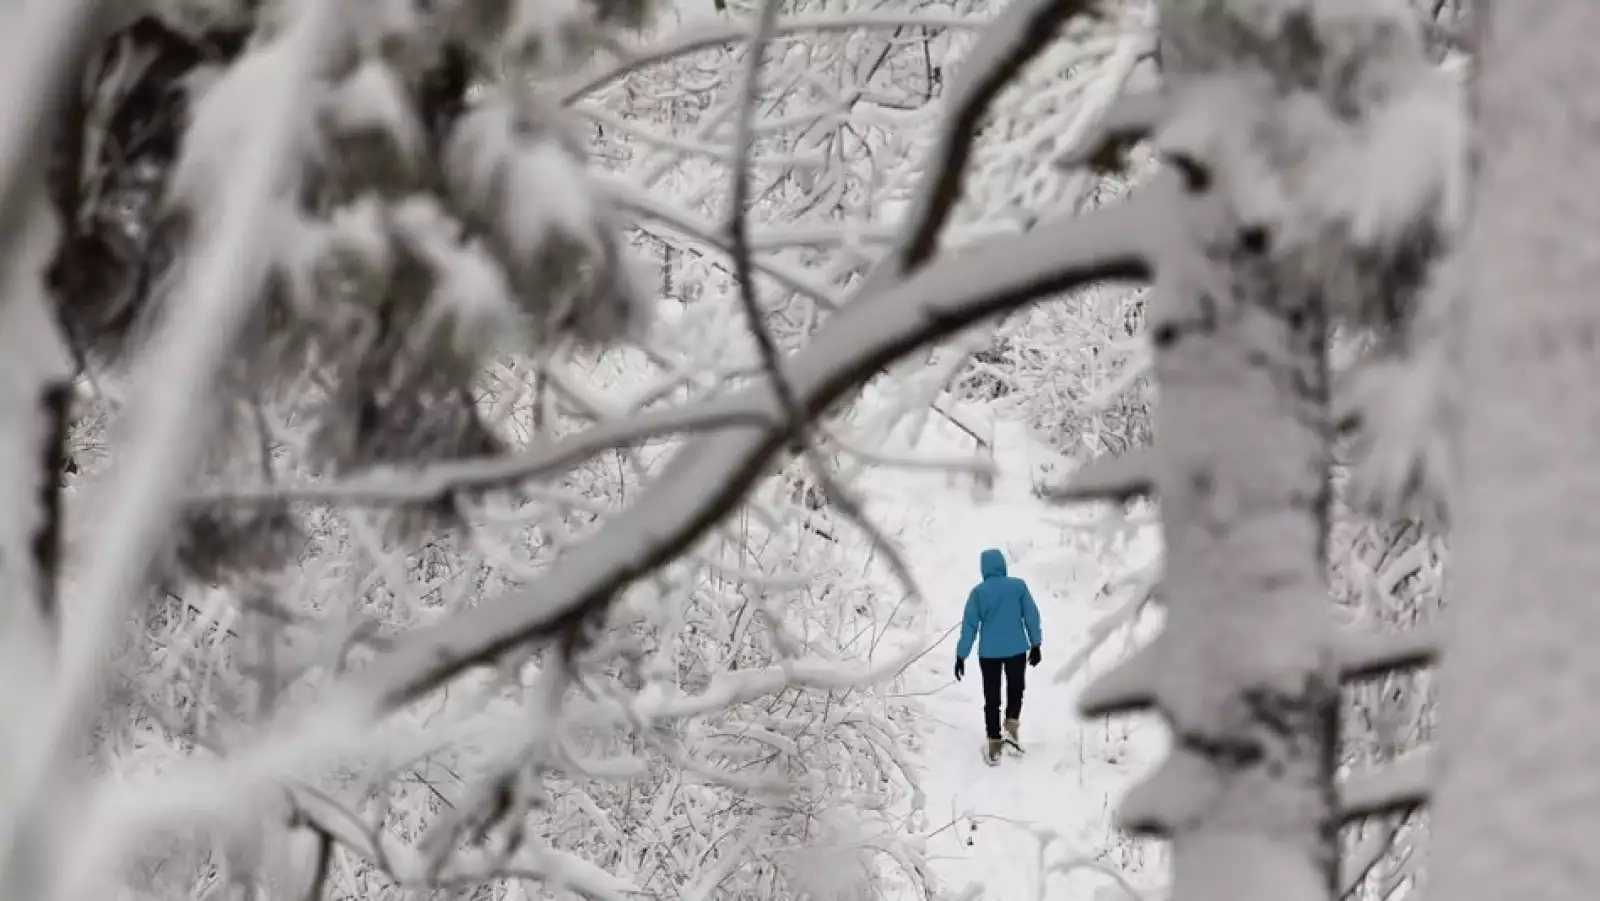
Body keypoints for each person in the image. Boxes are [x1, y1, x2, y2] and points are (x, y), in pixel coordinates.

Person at [953, 548, 1042, 764]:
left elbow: (969, 626)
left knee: (992, 698)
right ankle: (1011, 728)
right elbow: (1031, 615)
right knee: (1016, 689)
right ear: (1003, 564)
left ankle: (994, 741)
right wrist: (1036, 644)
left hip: (989, 654)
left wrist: (960, 655)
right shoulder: (1018, 587)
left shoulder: (978, 593)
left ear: (983, 568)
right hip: (1016, 650)